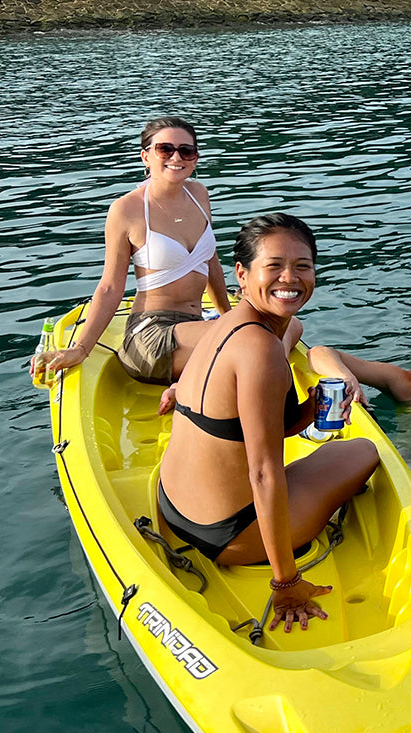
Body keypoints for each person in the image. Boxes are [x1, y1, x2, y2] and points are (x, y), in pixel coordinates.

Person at [157, 214, 380, 632]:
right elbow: (263, 473)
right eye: (274, 266)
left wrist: (306, 412)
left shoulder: (224, 326)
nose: (289, 278)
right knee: (361, 452)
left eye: (302, 266)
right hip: (229, 535)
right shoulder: (261, 352)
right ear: (241, 274)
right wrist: (286, 582)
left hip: (172, 507)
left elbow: (246, 424)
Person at [33, 117, 240, 385]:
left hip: (195, 324)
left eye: (186, 150)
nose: (176, 157)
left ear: (195, 158)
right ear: (146, 156)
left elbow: (209, 261)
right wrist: (81, 349)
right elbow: (110, 287)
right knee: (247, 336)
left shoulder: (199, 195)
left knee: (288, 326)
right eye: (165, 149)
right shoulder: (126, 210)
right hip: (151, 334)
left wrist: (229, 314)